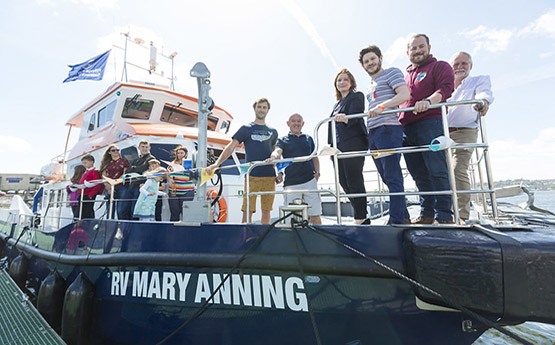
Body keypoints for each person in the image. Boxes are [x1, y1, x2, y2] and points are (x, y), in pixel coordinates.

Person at [400, 34, 455, 224]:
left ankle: (445, 215)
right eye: (413, 48)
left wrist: (428, 102)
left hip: (430, 123)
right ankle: (427, 213)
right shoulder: (405, 76)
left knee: (437, 168)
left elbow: (445, 89)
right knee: (418, 173)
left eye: (421, 47)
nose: (417, 51)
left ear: (429, 47)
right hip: (406, 128)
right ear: (408, 52)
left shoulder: (440, 66)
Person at [359, 45, 411, 225]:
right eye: (366, 61)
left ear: (380, 58)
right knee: (385, 175)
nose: (370, 63)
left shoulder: (391, 73)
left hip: (388, 129)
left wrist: (382, 107)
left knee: (392, 174)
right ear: (363, 66)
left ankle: (396, 220)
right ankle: (403, 215)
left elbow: (405, 94)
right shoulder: (370, 84)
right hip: (373, 133)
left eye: (372, 59)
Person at [206, 98, 278, 224]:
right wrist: (217, 164)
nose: (262, 110)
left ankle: (265, 236)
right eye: (259, 107)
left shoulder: (273, 131)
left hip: (269, 176)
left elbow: (275, 154)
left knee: (266, 210)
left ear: (268, 110)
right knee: (248, 209)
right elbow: (231, 147)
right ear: (254, 108)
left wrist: (278, 172)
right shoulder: (246, 128)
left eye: (264, 107)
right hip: (252, 175)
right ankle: (246, 236)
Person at [447, 51, 494, 223]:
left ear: (470, 66)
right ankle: (445, 213)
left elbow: (484, 94)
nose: (459, 67)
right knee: (441, 173)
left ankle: (462, 215)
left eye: (463, 64)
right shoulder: (444, 86)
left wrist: (483, 103)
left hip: (464, 131)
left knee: (458, 169)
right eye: (456, 64)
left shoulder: (478, 80)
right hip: (442, 132)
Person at [328, 68, 369, 225]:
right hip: (337, 147)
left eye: (345, 79)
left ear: (351, 82)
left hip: (353, 142)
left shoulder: (356, 96)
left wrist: (345, 118)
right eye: (339, 80)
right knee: (343, 180)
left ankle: (361, 216)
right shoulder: (337, 104)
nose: (342, 82)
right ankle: (360, 214)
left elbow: (355, 115)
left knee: (354, 178)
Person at [266, 113, 322, 224]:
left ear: (302, 124)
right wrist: (273, 157)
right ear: (288, 123)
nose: (296, 123)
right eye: (293, 121)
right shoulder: (282, 140)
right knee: (291, 217)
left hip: (309, 181)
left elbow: (315, 157)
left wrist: (317, 173)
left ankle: (318, 240)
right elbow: (278, 152)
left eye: (298, 121)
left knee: (315, 215)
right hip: (291, 183)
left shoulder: (309, 139)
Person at [124, 140, 155, 220]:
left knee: (135, 210)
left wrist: (132, 168)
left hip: (141, 186)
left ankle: (133, 228)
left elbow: (143, 168)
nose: (144, 149)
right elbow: (127, 171)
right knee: (126, 209)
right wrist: (134, 169)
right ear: (139, 148)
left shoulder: (151, 158)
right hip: (132, 186)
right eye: (142, 147)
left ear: (149, 148)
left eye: (146, 147)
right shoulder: (136, 160)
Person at [99, 145, 130, 219]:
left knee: (121, 210)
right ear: (109, 152)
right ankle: (110, 227)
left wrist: (115, 182)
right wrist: (108, 187)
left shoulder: (124, 162)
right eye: (113, 150)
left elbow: (124, 174)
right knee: (110, 210)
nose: (116, 151)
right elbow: (104, 176)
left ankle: (122, 227)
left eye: (117, 150)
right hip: (109, 187)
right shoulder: (106, 163)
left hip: (122, 187)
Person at [168, 145, 195, 221]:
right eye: (178, 153)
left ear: (186, 154)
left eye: (181, 153)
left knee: (186, 213)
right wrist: (169, 179)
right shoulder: (172, 164)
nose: (179, 155)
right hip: (174, 191)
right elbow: (167, 174)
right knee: (174, 214)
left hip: (187, 191)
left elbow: (195, 175)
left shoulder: (191, 163)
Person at [79, 154, 104, 219]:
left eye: (85, 163)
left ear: (91, 162)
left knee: (88, 210)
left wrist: (91, 194)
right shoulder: (85, 172)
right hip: (82, 194)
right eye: (83, 163)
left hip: (89, 194)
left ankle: (89, 222)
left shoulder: (94, 172)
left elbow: (97, 184)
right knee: (82, 211)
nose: (84, 165)